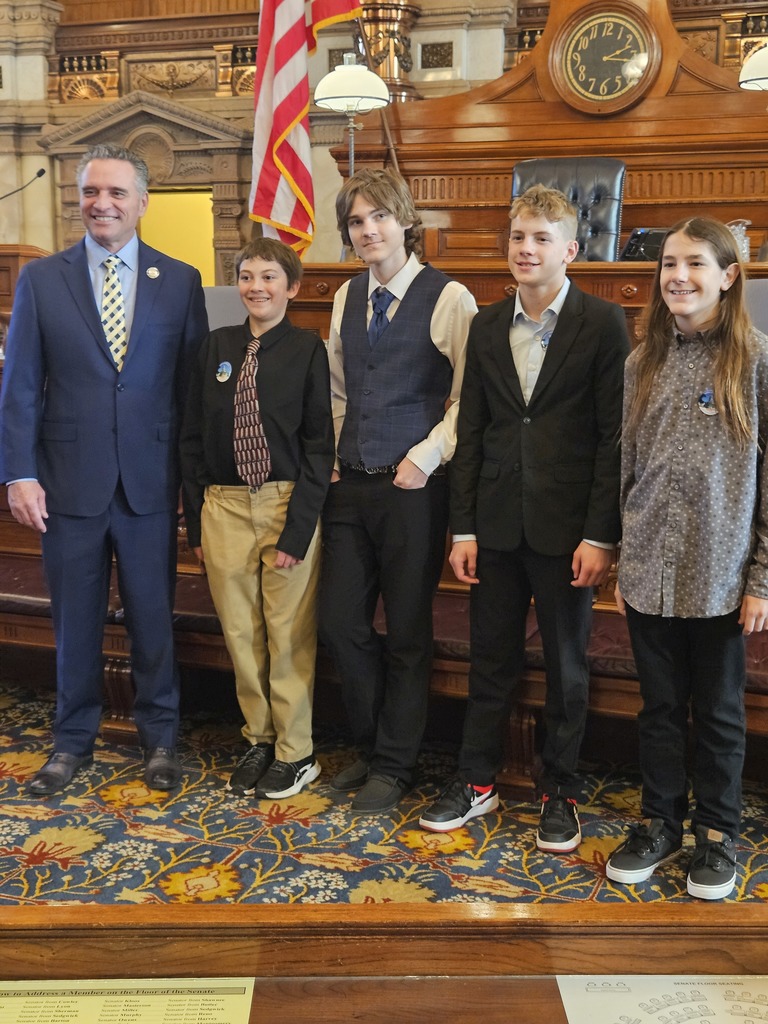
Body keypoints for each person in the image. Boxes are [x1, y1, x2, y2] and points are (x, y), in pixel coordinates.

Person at [419, 185, 630, 850]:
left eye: (541, 238)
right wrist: (464, 528)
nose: (526, 249)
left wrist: (601, 534)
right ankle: (476, 780)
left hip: (568, 533)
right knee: (491, 659)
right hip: (497, 523)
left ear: (570, 249)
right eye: (518, 238)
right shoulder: (485, 325)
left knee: (568, 666)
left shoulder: (601, 324)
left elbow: (611, 439)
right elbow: (472, 432)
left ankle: (560, 790)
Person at [0, 142, 208, 796]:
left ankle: (161, 740)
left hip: (151, 487)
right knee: (75, 623)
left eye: (117, 193)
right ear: (78, 199)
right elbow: (21, 386)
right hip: (66, 485)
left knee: (153, 620)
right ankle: (71, 742)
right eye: (92, 191)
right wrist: (19, 472)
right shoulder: (41, 279)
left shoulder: (179, 281)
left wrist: (191, 488)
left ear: (143, 203)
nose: (102, 203)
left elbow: (190, 393)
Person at [606, 217, 768, 900]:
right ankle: (660, 821)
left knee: (721, 712)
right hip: (648, 571)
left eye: (696, 264)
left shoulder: (755, 360)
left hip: (721, 576)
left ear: (728, 276)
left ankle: (719, 833)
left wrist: (761, 577)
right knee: (660, 708)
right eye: (669, 263)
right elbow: (628, 466)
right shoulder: (641, 360)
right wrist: (623, 560)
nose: (678, 276)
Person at [320, 168, 478, 814]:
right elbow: (335, 387)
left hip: (413, 489)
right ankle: (372, 741)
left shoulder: (449, 297)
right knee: (340, 624)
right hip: (350, 487)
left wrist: (428, 454)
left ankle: (396, 762)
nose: (368, 231)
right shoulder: (344, 298)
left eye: (378, 218)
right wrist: (334, 450)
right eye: (356, 222)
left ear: (404, 222)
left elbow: (472, 397)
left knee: (408, 631)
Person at [180, 238, 334, 799]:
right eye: (246, 276)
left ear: (291, 287)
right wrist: (195, 520)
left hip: (283, 503)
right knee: (241, 632)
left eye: (269, 277)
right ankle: (258, 739)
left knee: (288, 634)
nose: (256, 287)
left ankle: (297, 752)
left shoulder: (306, 350)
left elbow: (319, 446)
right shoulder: (215, 346)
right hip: (222, 505)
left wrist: (298, 528)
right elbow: (192, 437)